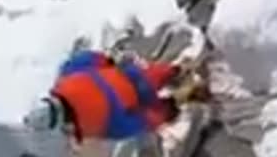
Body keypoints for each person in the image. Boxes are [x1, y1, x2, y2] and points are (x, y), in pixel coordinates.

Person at [21, 49, 207, 149]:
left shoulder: (89, 125)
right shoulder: (66, 78)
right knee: (157, 74)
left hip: (139, 102)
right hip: (130, 76)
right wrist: (106, 61)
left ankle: (187, 94)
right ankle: (181, 68)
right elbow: (85, 59)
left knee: (164, 108)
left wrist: (164, 113)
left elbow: (126, 126)